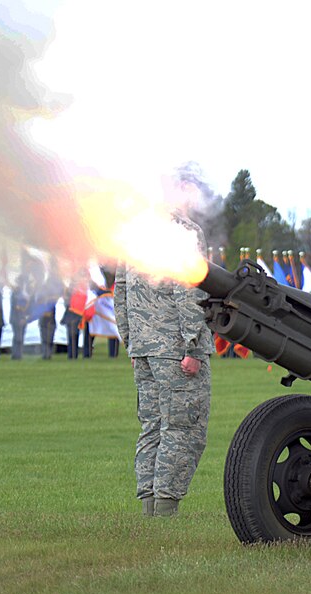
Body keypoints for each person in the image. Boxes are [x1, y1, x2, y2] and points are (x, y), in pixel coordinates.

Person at [115, 173, 213, 517]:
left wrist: (130, 342)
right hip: (174, 348)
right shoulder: (183, 231)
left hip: (143, 348)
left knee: (153, 426)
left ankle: (149, 507)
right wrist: (194, 347)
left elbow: (121, 292)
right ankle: (166, 510)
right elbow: (189, 291)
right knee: (183, 427)